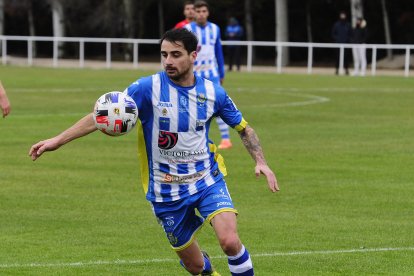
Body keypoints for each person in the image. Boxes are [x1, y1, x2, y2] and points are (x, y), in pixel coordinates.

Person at [29, 28, 279, 276]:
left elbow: (244, 129)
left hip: (206, 179)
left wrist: (261, 162)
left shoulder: (214, 93)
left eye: (176, 54)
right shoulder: (146, 88)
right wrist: (58, 140)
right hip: (165, 190)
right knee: (196, 267)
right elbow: (103, 115)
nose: (169, 61)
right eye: (164, 54)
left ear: (194, 55)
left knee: (230, 242)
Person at [185, 0, 233, 150]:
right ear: (194, 13)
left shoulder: (215, 29)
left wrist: (221, 73)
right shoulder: (188, 29)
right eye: (198, 11)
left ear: (208, 13)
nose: (201, 14)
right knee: (192, 107)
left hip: (212, 74)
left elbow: (218, 51)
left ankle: (226, 139)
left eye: (203, 11)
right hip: (194, 75)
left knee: (217, 105)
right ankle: (193, 139)